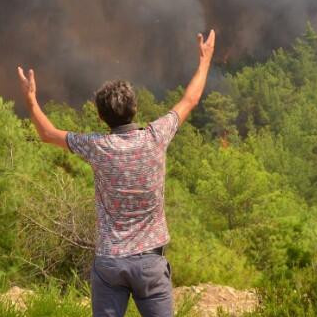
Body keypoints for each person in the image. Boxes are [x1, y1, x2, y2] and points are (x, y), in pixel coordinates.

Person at [16, 29, 216, 317]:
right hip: (150, 263)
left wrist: (31, 99)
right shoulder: (155, 137)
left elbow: (47, 133)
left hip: (110, 262)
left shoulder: (97, 146)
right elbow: (190, 100)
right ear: (135, 109)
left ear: (100, 117)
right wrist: (204, 60)